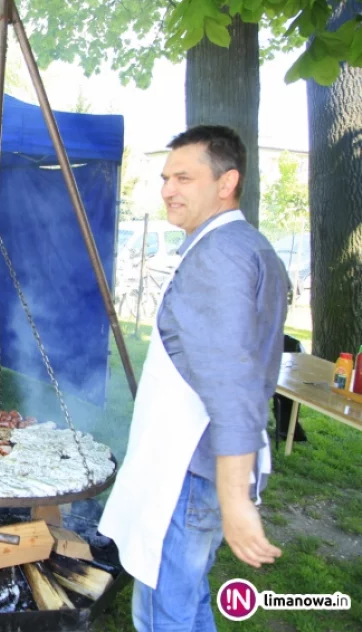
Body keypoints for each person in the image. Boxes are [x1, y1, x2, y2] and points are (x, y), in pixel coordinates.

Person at [98, 125, 288, 631]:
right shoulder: (249, 246)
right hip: (197, 468)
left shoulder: (219, 257)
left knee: (164, 615)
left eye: (184, 177)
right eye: (165, 177)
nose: (167, 190)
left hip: (190, 470)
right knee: (187, 601)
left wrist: (234, 497)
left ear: (227, 182)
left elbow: (231, 387)